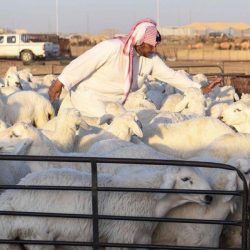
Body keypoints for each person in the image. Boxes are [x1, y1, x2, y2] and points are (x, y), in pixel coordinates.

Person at [49, 18, 221, 117]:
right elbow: (83, 63)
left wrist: (199, 89)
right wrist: (60, 82)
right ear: (139, 40)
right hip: (89, 99)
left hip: (114, 104)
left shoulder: (149, 58)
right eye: (150, 45)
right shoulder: (112, 48)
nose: (154, 49)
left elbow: (171, 76)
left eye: (155, 46)